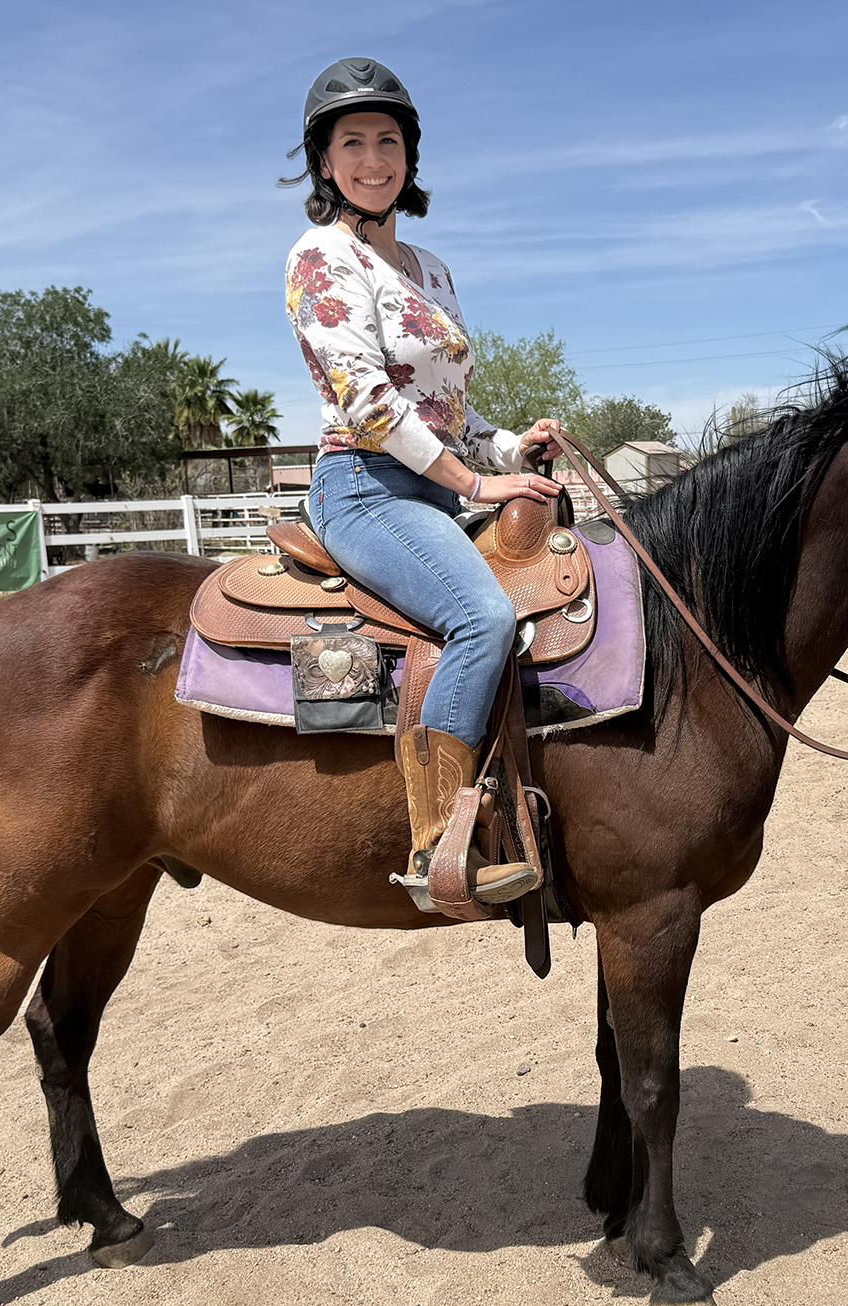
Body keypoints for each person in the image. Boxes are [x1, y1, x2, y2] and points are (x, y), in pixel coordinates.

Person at [282, 57, 567, 906]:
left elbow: (450, 410)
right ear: (324, 163)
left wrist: (512, 448)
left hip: (434, 482)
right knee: (481, 615)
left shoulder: (431, 268)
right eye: (354, 143)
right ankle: (441, 840)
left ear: (410, 156)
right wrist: (476, 489)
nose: (375, 158)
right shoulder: (320, 257)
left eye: (389, 140)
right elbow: (370, 403)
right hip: (365, 486)